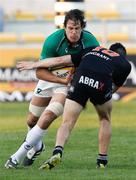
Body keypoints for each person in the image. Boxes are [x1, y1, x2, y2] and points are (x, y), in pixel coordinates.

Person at [10, 43, 131, 170]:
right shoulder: (124, 64)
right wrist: (99, 96)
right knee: (104, 119)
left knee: (67, 122)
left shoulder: (93, 49)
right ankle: (102, 160)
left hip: (80, 79)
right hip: (100, 83)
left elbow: (60, 60)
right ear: (123, 55)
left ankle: (57, 151)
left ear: (108, 49)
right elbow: (114, 88)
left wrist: (34, 64)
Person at [5, 9, 99, 168]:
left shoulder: (91, 42)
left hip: (68, 86)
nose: (73, 32)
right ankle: (38, 146)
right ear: (64, 27)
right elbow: (40, 72)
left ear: (82, 28)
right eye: (70, 28)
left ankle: (17, 156)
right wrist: (60, 80)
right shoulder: (53, 40)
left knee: (48, 116)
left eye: (77, 28)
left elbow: (94, 68)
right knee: (31, 120)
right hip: (51, 80)